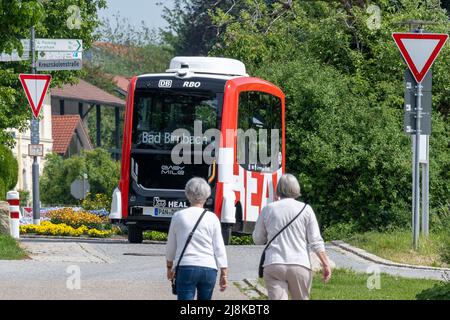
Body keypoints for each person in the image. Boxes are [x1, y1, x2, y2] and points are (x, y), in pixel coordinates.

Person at [253, 173, 331, 300]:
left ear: (278, 189)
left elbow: (258, 239)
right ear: (297, 189)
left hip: (274, 264)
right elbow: (315, 241)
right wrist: (325, 263)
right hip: (300, 264)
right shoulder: (306, 209)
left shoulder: (268, 209)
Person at [166, 177, 228, 300]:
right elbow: (219, 247)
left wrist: (169, 267)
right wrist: (224, 272)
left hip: (185, 266)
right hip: (209, 268)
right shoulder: (213, 218)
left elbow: (171, 245)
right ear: (207, 195)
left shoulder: (178, 216)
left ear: (188, 194)